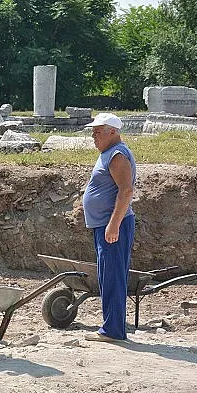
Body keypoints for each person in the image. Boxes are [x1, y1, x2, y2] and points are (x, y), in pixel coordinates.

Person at [82, 113, 136, 342]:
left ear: (112, 131)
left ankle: (113, 330)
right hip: (104, 224)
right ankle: (111, 326)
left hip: (113, 225)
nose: (93, 136)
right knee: (107, 275)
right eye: (93, 131)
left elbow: (126, 191)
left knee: (112, 275)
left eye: (98, 131)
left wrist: (113, 224)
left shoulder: (117, 155)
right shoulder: (107, 153)